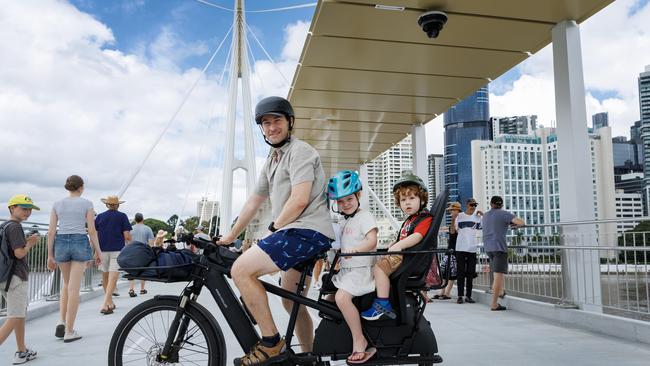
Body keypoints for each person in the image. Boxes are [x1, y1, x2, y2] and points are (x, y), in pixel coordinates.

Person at [217, 96, 335, 366]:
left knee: (241, 270)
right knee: (292, 303)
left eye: (277, 121)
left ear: (290, 122)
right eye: (266, 123)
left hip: (307, 231)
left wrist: (273, 228)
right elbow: (254, 201)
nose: (271, 127)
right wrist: (231, 236)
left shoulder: (300, 151)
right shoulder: (273, 158)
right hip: (297, 231)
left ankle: (271, 343)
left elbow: (300, 199)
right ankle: (311, 356)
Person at [361, 171, 432, 321]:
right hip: (404, 257)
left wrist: (399, 245)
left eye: (412, 198)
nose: (407, 202)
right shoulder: (409, 220)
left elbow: (417, 236)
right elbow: (404, 237)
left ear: (422, 199)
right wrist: (394, 244)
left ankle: (382, 304)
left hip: (409, 260)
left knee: (379, 269)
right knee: (372, 263)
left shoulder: (424, 218)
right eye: (403, 199)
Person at [327, 171, 378, 364]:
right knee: (328, 299)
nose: (345, 204)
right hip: (348, 271)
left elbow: (372, 240)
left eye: (349, 198)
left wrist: (356, 250)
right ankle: (339, 336)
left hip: (361, 270)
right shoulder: (344, 220)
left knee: (341, 297)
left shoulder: (365, 216)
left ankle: (359, 339)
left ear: (359, 195)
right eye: (340, 201)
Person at [47, 175, 101, 343]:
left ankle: (61, 321)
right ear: (81, 187)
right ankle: (69, 331)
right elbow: (91, 231)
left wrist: (50, 255)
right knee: (74, 289)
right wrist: (98, 251)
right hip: (79, 240)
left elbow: (51, 231)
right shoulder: (87, 204)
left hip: (61, 242)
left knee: (66, 284)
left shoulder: (57, 204)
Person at [0, 195, 40, 364]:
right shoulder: (15, 227)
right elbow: (19, 253)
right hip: (16, 277)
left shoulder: (4, 226)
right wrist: (30, 243)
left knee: (19, 313)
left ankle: (21, 351)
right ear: (12, 208)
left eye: (29, 209)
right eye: (23, 208)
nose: (28, 212)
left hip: (4, 277)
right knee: (15, 316)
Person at [481, 196, 525, 311]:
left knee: (497, 274)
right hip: (499, 247)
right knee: (498, 276)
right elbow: (521, 222)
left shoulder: (485, 215)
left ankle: (500, 291)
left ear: (491, 204)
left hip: (488, 247)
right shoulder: (503, 214)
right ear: (501, 205)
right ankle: (494, 304)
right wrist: (513, 225)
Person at [95, 195, 132, 314]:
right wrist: (131, 246)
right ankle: (105, 303)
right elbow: (127, 236)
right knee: (113, 277)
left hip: (102, 250)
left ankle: (109, 302)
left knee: (105, 276)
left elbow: (95, 235)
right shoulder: (122, 216)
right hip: (117, 250)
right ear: (118, 205)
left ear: (107, 204)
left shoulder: (99, 217)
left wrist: (96, 252)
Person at [455, 198, 482, 304]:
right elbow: (454, 228)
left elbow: (484, 226)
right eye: (471, 205)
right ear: (467, 205)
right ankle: (460, 296)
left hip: (472, 248)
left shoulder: (477, 217)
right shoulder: (460, 216)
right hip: (460, 248)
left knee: (470, 273)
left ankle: (468, 296)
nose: (473, 207)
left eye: (475, 205)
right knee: (460, 273)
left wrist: (483, 215)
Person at [433, 202, 460, 300]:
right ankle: (442, 291)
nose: (451, 212)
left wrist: (453, 220)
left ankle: (447, 293)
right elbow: (451, 231)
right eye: (450, 211)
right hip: (449, 250)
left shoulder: (459, 221)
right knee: (444, 272)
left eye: (452, 210)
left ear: (457, 211)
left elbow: (453, 231)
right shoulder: (454, 221)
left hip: (456, 251)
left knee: (452, 273)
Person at [128, 213, 153, 297]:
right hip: (143, 252)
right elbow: (151, 243)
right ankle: (142, 289)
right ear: (143, 219)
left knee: (131, 271)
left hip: (132, 251)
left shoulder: (130, 229)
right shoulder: (148, 228)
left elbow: (127, 242)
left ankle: (131, 289)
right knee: (143, 270)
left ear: (135, 220)